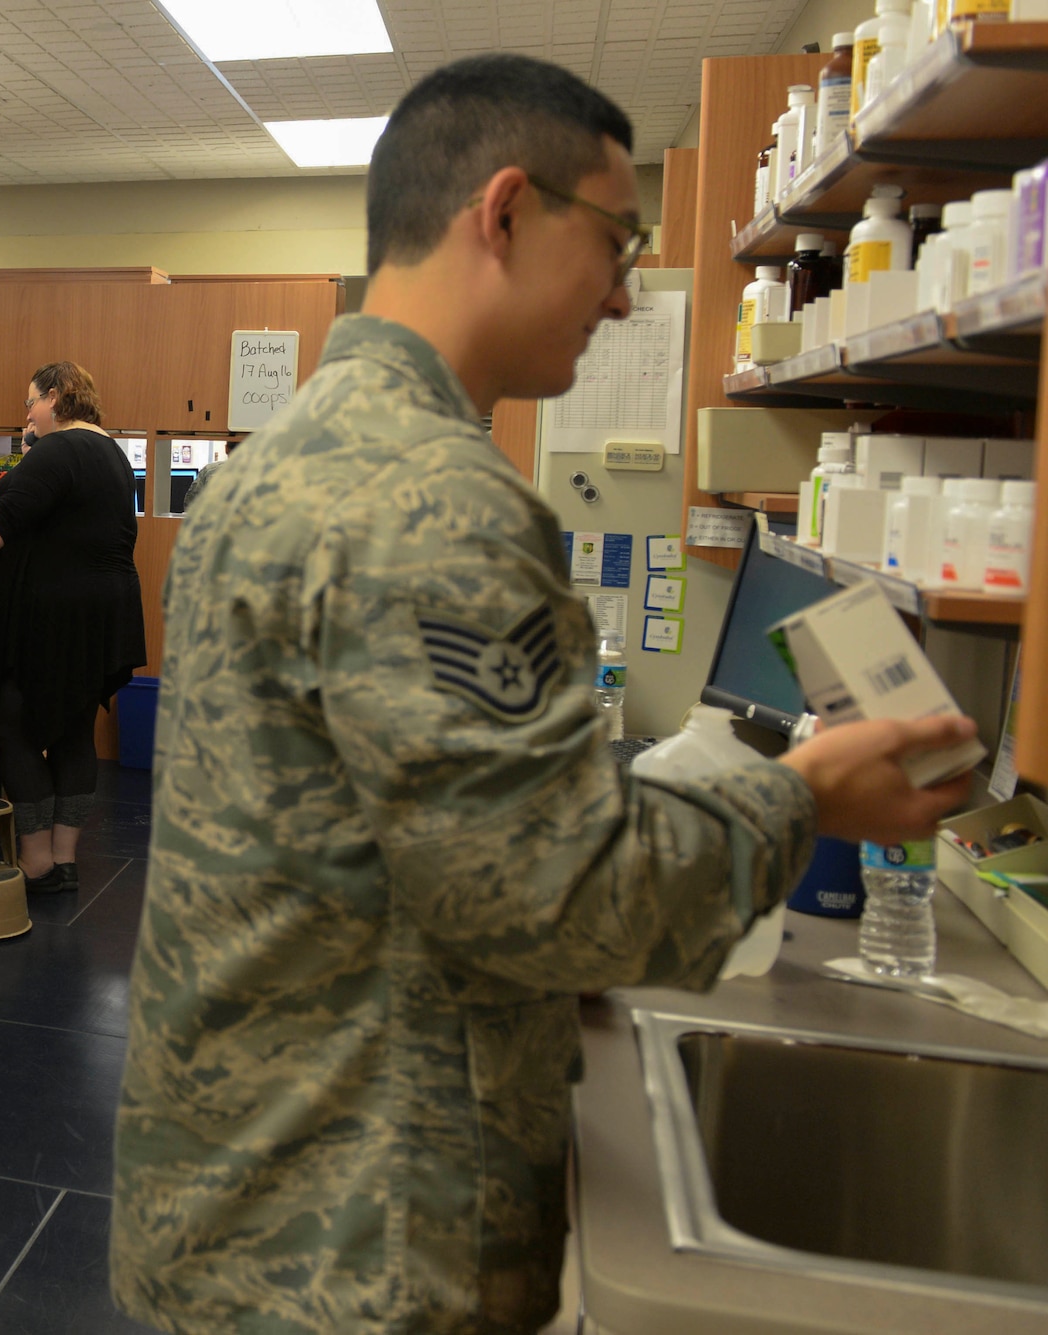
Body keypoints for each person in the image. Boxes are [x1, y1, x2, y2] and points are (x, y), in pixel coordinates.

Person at [110, 53, 976, 1334]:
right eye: (617, 242)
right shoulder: (435, 503)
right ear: (503, 212)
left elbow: (377, 839)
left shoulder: (273, 460)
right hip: (357, 1241)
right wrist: (800, 798)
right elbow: (559, 900)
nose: (626, 299)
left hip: (238, 1190)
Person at [0, 361, 145, 891]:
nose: (28, 413)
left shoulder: (59, 450)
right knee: (71, 733)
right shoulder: (109, 451)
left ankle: (35, 865)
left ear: (57, 397)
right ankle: (63, 860)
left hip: (48, 617)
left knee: (16, 728)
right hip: (97, 618)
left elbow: (2, 521)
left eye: (31, 402)